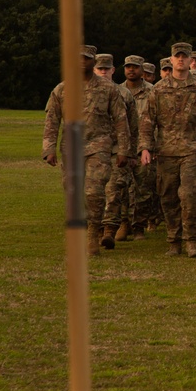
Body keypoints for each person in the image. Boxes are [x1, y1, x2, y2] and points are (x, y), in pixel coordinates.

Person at [140, 43, 196, 258]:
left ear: (190, 61)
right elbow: (148, 121)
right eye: (177, 56)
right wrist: (145, 148)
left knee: (190, 195)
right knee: (168, 197)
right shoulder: (158, 89)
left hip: (193, 150)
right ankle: (173, 241)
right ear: (171, 60)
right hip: (166, 151)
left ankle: (191, 240)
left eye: (184, 57)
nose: (180, 60)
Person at [42, 45, 129, 256]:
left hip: (98, 146)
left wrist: (124, 150)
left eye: (87, 59)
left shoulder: (109, 89)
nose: (83, 62)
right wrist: (49, 148)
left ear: (94, 62)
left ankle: (93, 234)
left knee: (94, 192)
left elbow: (120, 120)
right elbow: (52, 120)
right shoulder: (62, 89)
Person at [94, 53, 138, 249]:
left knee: (114, 191)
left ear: (113, 70)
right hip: (93, 151)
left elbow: (133, 127)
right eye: (100, 69)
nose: (103, 72)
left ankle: (109, 230)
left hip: (116, 150)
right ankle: (94, 230)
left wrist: (130, 152)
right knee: (94, 192)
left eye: (107, 69)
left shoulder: (124, 94)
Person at [121, 54, 156, 240]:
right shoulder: (117, 91)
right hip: (122, 148)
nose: (131, 70)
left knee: (143, 190)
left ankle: (139, 226)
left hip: (145, 147)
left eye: (135, 66)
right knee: (120, 188)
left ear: (142, 70)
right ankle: (123, 223)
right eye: (128, 66)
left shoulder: (153, 92)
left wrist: (153, 147)